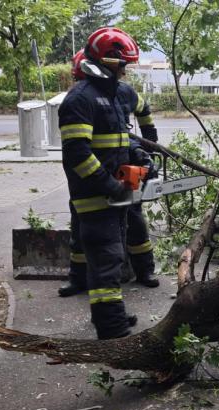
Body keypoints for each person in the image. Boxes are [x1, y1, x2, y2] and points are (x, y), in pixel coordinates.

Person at [56, 28, 152, 339]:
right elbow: (78, 155)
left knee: (113, 258)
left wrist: (139, 155)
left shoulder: (109, 95)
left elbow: (117, 142)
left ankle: (115, 314)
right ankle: (113, 331)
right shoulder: (81, 99)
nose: (124, 70)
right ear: (106, 61)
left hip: (113, 197)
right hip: (95, 198)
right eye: (122, 64)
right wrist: (110, 186)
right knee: (106, 262)